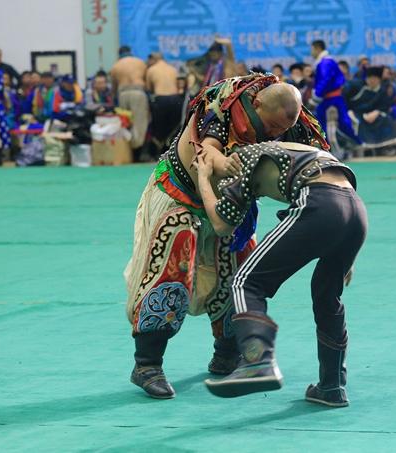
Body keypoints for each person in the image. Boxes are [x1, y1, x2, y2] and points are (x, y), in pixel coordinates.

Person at [124, 73, 329, 399]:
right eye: (271, 126)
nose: (275, 134)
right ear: (257, 104)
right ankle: (147, 364)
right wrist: (225, 163)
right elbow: (207, 152)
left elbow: (322, 167)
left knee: (240, 271)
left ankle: (227, 353)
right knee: (172, 267)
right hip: (181, 195)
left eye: (281, 130)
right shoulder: (223, 105)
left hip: (231, 204)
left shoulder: (293, 122)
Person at [201, 141, 367, 407]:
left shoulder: (239, 160)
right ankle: (332, 386)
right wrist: (347, 251)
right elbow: (341, 191)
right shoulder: (286, 147)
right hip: (355, 210)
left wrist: (203, 178)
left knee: (245, 281)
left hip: (319, 202)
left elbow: (222, 224)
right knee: (327, 297)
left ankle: (257, 361)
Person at [309, 39, 361, 146]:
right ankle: (355, 142)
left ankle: (354, 143)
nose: (311, 52)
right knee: (339, 122)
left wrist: (316, 95)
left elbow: (324, 80)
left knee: (325, 122)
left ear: (317, 49)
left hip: (331, 99)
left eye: (312, 49)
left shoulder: (325, 63)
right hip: (330, 98)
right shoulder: (326, 62)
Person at [346, 66, 396, 154]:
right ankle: (360, 147)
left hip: (374, 114)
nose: (372, 81)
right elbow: (347, 101)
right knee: (356, 121)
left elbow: (384, 105)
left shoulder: (382, 91)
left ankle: (385, 147)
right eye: (370, 78)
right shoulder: (356, 86)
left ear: (379, 79)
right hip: (357, 112)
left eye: (375, 78)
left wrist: (376, 112)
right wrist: (350, 111)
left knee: (386, 119)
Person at [110, 45, 150, 159]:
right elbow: (147, 83)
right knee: (139, 123)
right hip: (138, 92)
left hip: (123, 93)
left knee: (125, 122)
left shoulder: (115, 66)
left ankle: (128, 152)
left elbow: (113, 89)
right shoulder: (140, 63)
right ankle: (138, 151)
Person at [146, 52, 184, 158]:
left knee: (159, 129)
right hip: (175, 99)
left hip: (161, 99)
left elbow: (149, 88)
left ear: (154, 59)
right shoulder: (172, 69)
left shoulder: (151, 69)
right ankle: (174, 152)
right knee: (173, 128)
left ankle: (158, 153)